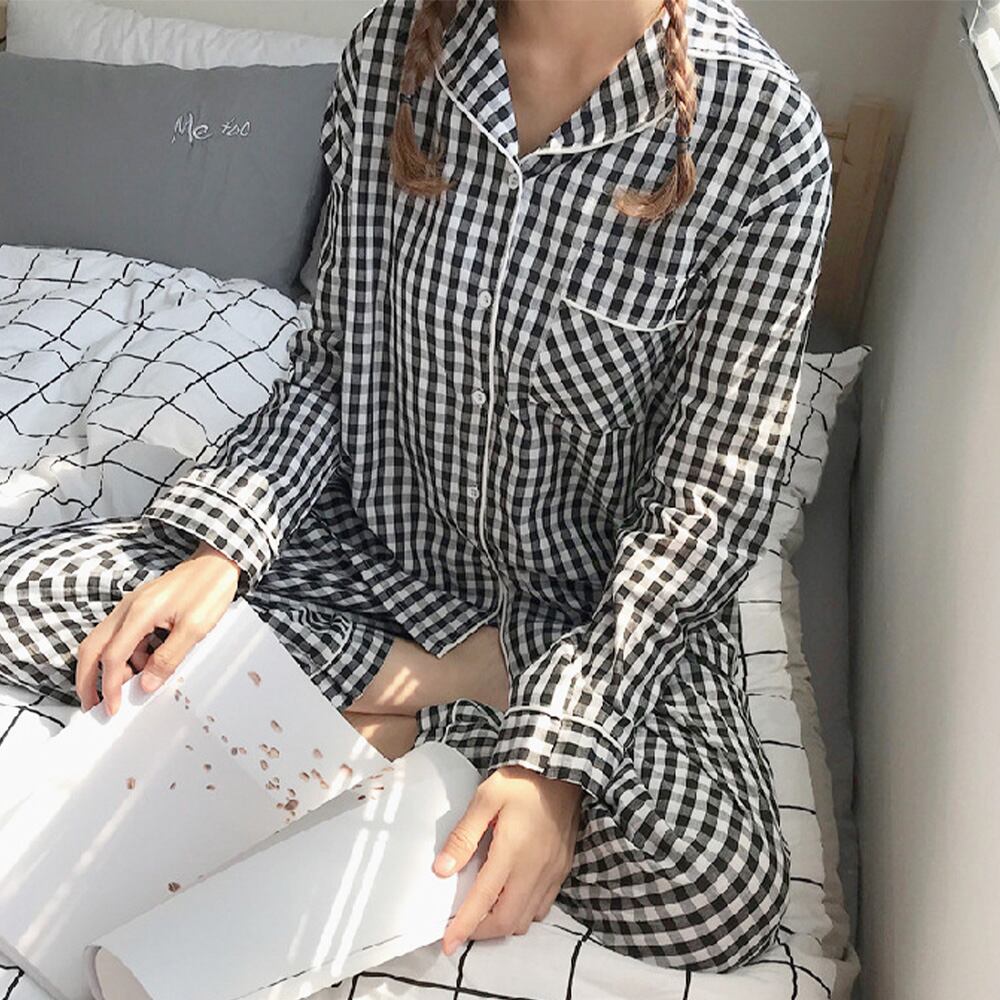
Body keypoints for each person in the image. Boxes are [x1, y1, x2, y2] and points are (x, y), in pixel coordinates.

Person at [0, 0, 833, 975]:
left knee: (716, 888)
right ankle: (453, 691)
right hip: (367, 551)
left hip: (591, 619)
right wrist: (220, 554)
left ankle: (417, 714)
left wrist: (556, 758)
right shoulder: (397, 50)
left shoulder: (762, 133)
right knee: (34, 597)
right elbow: (334, 365)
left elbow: (707, 508)